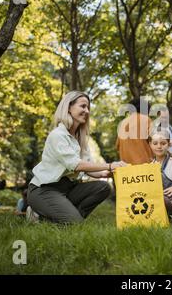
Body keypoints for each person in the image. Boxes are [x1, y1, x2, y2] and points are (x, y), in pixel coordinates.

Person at [27, 91, 127, 224]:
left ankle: (58, 217)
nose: (86, 111)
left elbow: (89, 169)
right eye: (83, 106)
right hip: (44, 190)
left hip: (68, 188)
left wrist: (110, 173)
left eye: (88, 108)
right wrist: (109, 165)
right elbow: (77, 165)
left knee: (104, 187)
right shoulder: (58, 135)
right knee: (75, 224)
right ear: (69, 107)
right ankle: (39, 215)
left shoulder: (81, 139)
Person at [116, 98, 154, 164]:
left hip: (126, 168)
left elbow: (117, 146)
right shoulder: (146, 120)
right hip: (145, 167)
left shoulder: (123, 123)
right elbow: (155, 142)